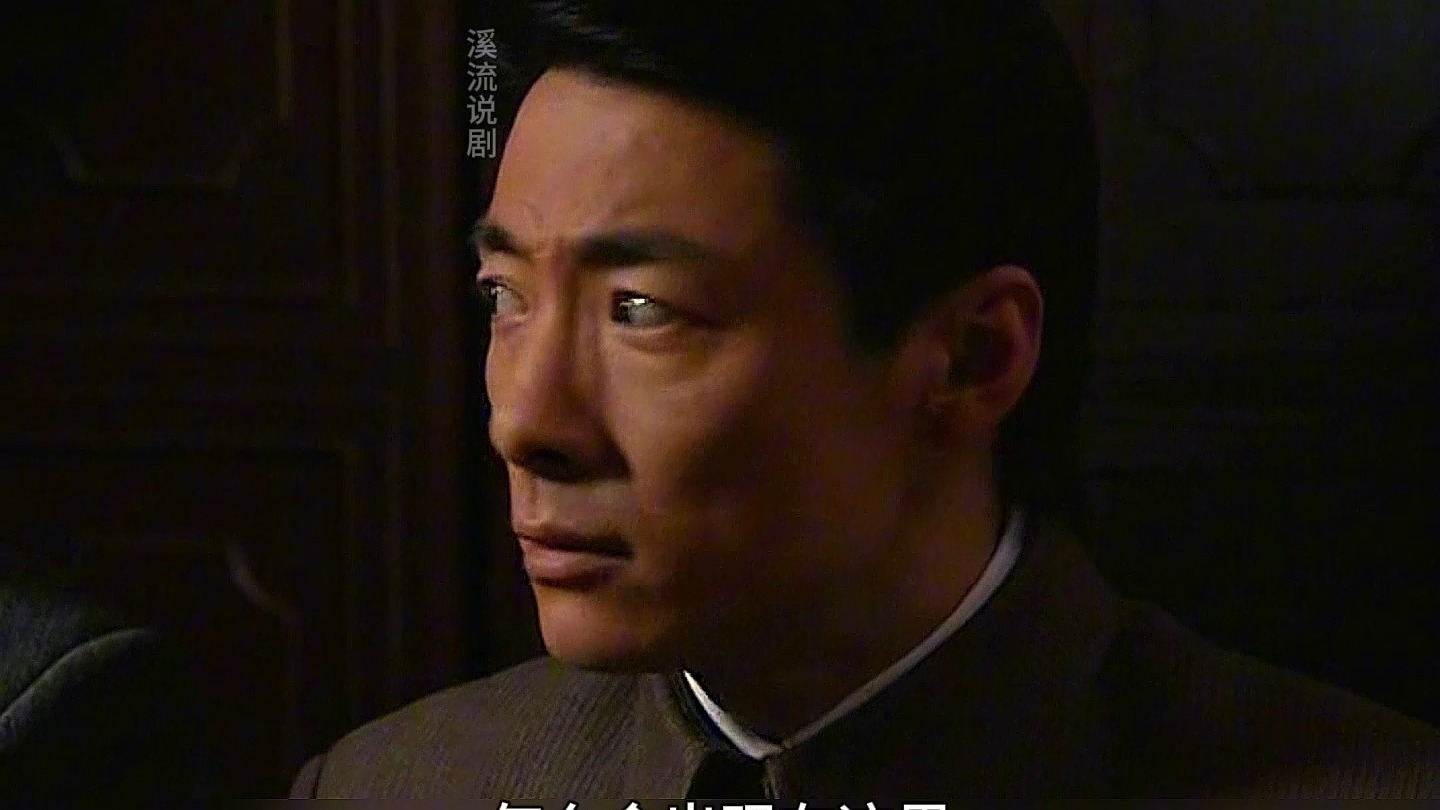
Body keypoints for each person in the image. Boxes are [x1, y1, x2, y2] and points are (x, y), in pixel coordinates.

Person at [292, 0, 1440, 799]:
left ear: (973, 358)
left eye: (641, 309)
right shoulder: (398, 787)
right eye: (506, 296)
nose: (523, 422)